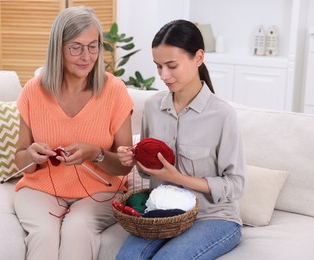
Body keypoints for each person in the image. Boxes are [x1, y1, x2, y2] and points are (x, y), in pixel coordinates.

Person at [116, 19, 246, 260]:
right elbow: (148, 172)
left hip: (213, 216)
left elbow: (235, 184)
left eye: (171, 65)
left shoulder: (222, 115)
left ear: (198, 58)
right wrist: (135, 159)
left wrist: (179, 179)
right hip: (162, 214)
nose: (164, 75)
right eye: (158, 66)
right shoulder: (153, 107)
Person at [13, 6, 134, 260]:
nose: (86, 56)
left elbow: (124, 167)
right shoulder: (33, 91)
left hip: (101, 191)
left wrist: (98, 154)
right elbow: (21, 161)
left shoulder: (115, 91)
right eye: (75, 47)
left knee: (77, 229)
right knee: (44, 234)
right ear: (58, 48)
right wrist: (31, 156)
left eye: (93, 46)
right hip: (40, 190)